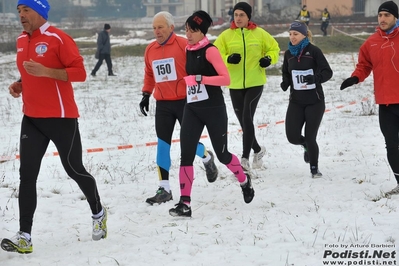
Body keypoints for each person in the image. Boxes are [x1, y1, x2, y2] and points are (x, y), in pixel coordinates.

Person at [1, 0, 107, 254]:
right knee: (27, 177)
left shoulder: (59, 38)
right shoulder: (20, 41)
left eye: (26, 10)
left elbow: (79, 73)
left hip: (61, 118)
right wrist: (20, 84)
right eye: (19, 11)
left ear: (40, 11)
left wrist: (46, 71)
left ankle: (98, 212)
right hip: (32, 118)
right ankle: (24, 236)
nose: (21, 15)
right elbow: (30, 73)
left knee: (74, 170)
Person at [169, 10, 255, 218]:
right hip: (192, 108)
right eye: (187, 30)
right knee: (186, 155)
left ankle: (244, 181)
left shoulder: (211, 51)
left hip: (213, 109)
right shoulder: (188, 49)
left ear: (203, 32)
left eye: (193, 31)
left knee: (223, 155)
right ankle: (185, 203)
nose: (188, 34)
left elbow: (226, 79)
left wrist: (200, 79)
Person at [139, 11, 218, 205]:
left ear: (171, 28)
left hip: (185, 101)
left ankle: (207, 157)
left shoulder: (185, 45)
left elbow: (200, 66)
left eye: (160, 27)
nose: (157, 31)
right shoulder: (150, 50)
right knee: (162, 144)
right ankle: (164, 188)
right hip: (163, 103)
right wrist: (146, 94)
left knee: (188, 143)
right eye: (154, 28)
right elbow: (149, 74)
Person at [340, 1, 399, 195]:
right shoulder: (371, 42)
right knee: (391, 144)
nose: (382, 19)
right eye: (380, 15)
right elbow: (364, 65)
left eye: (387, 15)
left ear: (395, 18)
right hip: (386, 102)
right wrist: (355, 77)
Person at [214, 2, 280, 172]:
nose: (238, 18)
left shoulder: (260, 34)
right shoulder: (226, 36)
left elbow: (274, 49)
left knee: (246, 116)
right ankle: (258, 150)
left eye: (242, 15)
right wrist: (227, 58)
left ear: (248, 16)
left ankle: (244, 158)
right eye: (236, 15)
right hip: (234, 84)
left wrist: (269, 59)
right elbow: (214, 53)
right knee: (244, 122)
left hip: (255, 82)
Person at [280, 21, 333, 178]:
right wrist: (286, 82)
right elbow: (286, 72)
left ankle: (314, 169)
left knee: (311, 136)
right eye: (290, 34)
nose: (292, 37)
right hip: (296, 101)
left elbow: (328, 72)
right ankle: (305, 145)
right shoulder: (289, 54)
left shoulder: (314, 51)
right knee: (292, 137)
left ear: (304, 35)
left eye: (295, 34)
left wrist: (315, 79)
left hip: (314, 101)